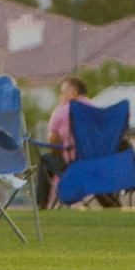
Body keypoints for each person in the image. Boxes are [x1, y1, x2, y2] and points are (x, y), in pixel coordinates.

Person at [39, 76, 85, 208]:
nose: (61, 95)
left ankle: (42, 204)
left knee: (45, 160)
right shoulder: (96, 109)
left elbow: (53, 140)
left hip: (71, 165)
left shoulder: (63, 110)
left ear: (73, 93)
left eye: (63, 92)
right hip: (95, 164)